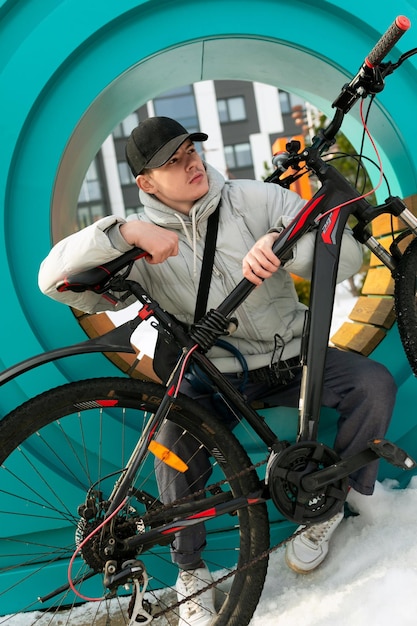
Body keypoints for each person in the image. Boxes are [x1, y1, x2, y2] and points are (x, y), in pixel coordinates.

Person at [39, 116, 397, 626]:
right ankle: (191, 571)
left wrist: (283, 242)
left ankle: (334, 507)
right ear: (146, 183)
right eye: (173, 161)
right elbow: (50, 280)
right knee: (169, 445)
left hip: (294, 358)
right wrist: (122, 231)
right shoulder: (134, 242)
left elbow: (349, 259)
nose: (192, 164)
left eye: (192, 151)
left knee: (374, 386)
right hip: (215, 377)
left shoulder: (257, 200)